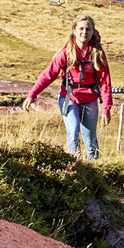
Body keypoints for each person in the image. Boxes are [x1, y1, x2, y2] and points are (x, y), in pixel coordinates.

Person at [22, 14, 112, 159]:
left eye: (88, 29)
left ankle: (95, 171)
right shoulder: (66, 53)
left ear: (92, 32)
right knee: (73, 130)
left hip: (90, 99)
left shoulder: (97, 54)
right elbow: (49, 74)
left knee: (90, 140)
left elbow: (105, 83)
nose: (84, 32)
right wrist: (32, 95)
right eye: (81, 28)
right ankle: (74, 165)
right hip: (69, 98)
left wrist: (106, 109)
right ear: (74, 31)